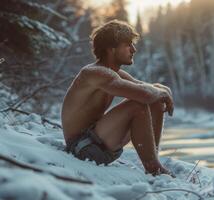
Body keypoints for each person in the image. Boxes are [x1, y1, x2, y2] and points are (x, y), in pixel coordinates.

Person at [61, 20, 174, 176]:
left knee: (154, 99)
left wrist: (163, 90)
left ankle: (153, 160)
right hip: (83, 148)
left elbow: (146, 88)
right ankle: (153, 168)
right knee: (138, 105)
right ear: (111, 49)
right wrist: (162, 93)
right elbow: (145, 95)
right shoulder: (95, 73)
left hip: (99, 142)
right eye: (128, 44)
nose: (133, 49)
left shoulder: (113, 73)